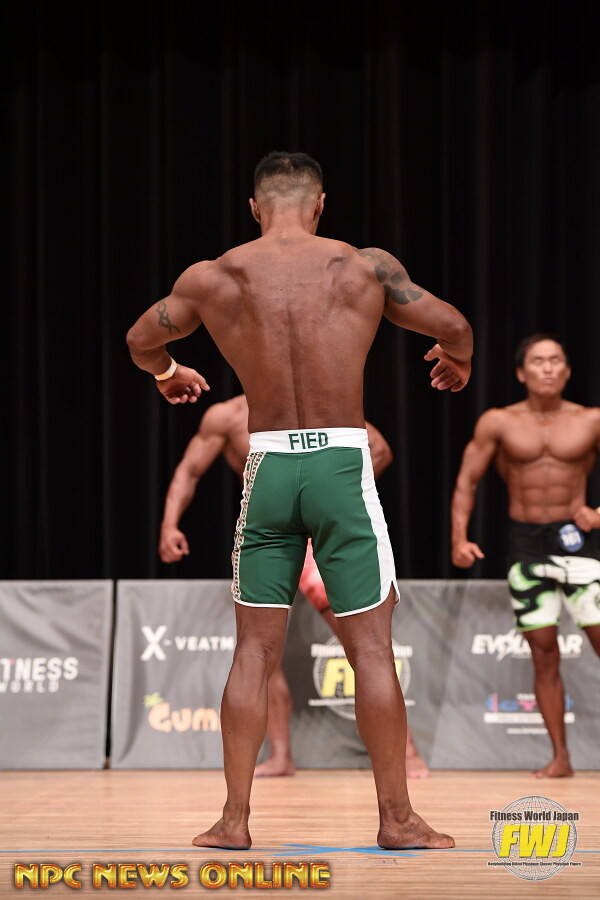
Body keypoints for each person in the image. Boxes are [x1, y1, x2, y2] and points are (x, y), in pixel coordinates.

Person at [127, 151, 472, 850]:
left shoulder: (212, 276)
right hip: (341, 465)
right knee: (371, 649)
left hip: (267, 468)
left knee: (253, 652)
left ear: (254, 207)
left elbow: (140, 340)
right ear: (320, 204)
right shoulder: (364, 266)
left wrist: (167, 372)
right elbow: (456, 326)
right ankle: (397, 820)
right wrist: (456, 362)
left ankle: (233, 821)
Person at [159, 393, 431, 778]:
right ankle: (281, 756)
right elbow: (189, 471)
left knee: (363, 645)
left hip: (318, 536)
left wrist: (335, 495)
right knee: (261, 652)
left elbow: (380, 449)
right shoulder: (226, 417)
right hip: (271, 532)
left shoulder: (313, 403)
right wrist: (169, 524)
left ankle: (408, 752)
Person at [451, 333, 600, 778]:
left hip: (580, 543)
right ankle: (561, 758)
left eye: (556, 360)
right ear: (521, 372)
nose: (548, 368)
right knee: (544, 655)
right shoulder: (499, 422)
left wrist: (598, 514)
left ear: (567, 370)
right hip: (526, 545)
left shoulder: (591, 419)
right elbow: (467, 481)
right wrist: (459, 538)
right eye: (538, 361)